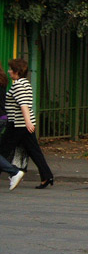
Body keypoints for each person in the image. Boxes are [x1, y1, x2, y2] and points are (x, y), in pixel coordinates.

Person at [0, 58, 54, 189]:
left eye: (11, 69)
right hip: (23, 124)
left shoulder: (18, 85)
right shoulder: (25, 84)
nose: (8, 71)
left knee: (3, 149)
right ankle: (47, 176)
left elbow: (23, 105)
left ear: (16, 71)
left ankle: (15, 173)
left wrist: (28, 122)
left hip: (18, 124)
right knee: (34, 151)